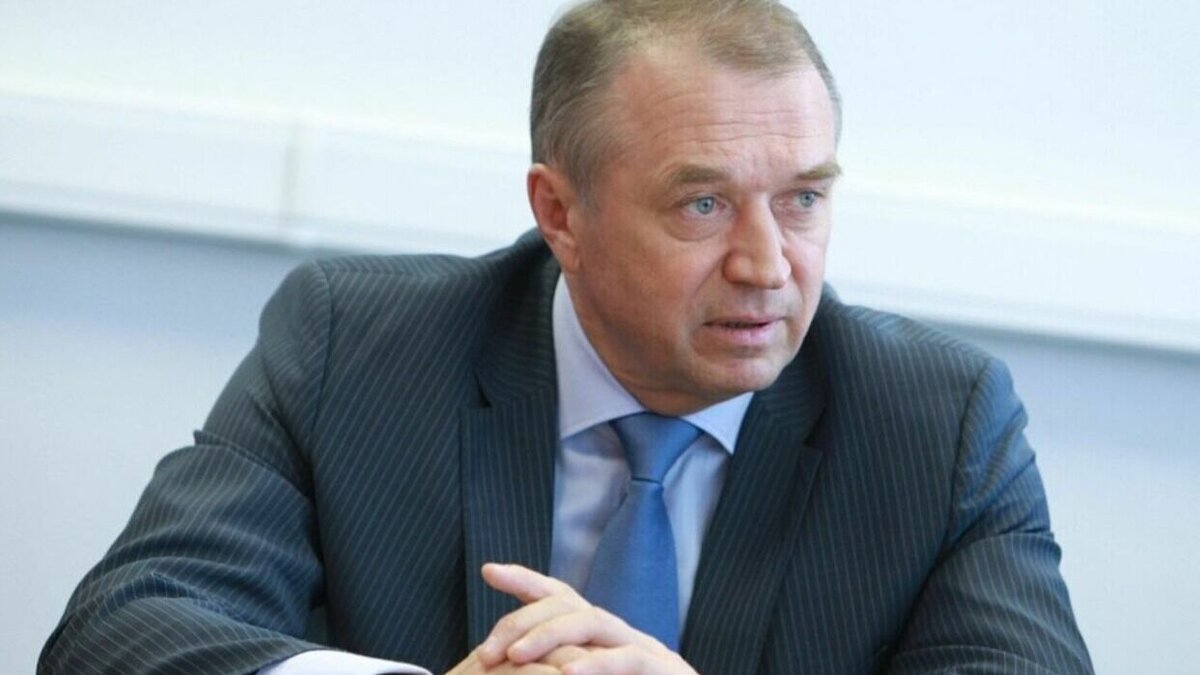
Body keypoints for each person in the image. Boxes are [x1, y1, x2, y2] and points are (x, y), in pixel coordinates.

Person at [39, 1, 1093, 673]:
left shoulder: (937, 423)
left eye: (804, 199)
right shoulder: (353, 349)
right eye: (703, 205)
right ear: (561, 212)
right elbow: (121, 632)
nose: (768, 264)